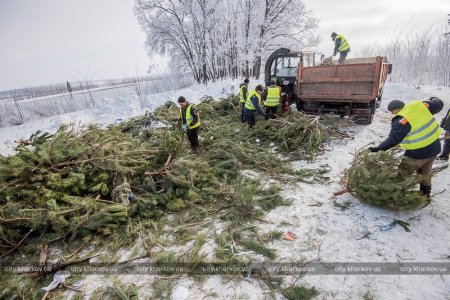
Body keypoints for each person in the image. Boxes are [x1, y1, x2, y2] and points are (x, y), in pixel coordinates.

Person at [369, 97, 444, 197]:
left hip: (418, 152)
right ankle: (425, 194)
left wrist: (378, 148)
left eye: (392, 111)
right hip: (434, 147)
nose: (392, 114)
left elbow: (393, 139)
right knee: (425, 172)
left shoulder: (402, 121)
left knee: (403, 173)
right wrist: (435, 99)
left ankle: (395, 195)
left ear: (398, 108)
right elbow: (438, 105)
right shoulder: (419, 105)